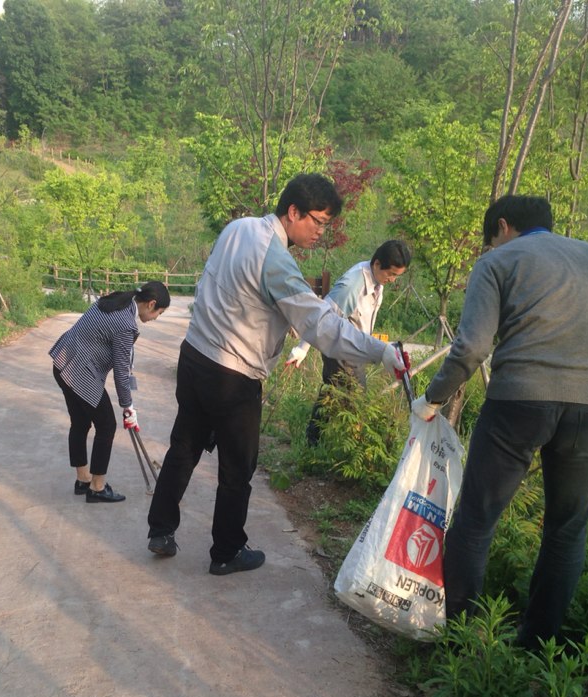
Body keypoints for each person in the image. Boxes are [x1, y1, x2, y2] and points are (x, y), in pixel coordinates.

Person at [411, 195, 588, 649]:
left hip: (516, 402)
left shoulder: (497, 262)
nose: (492, 245)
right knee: (566, 531)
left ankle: (461, 642)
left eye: (492, 237)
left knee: (476, 519)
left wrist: (432, 399)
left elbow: (472, 348)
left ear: (504, 226)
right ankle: (536, 646)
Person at [146, 173, 405, 575]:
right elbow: (320, 326)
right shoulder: (277, 262)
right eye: (317, 221)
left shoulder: (238, 228)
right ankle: (227, 552)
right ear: (293, 211)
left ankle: (160, 530)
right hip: (233, 376)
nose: (320, 231)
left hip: (194, 357)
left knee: (184, 446)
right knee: (238, 469)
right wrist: (380, 350)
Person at [50, 282, 171, 503]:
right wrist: (128, 407)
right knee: (107, 425)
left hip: (63, 361)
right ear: (151, 304)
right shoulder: (126, 323)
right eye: (159, 313)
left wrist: (127, 403)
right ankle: (97, 488)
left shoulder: (118, 301)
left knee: (80, 423)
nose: (156, 318)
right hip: (79, 371)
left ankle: (83, 479)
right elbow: (121, 374)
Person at [286, 239, 411, 445]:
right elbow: (323, 315)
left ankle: (316, 442)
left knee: (334, 392)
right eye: (391, 274)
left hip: (356, 349)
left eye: (397, 276)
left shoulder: (377, 281)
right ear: (378, 264)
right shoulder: (354, 283)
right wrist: (302, 348)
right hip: (343, 349)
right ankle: (334, 446)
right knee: (353, 398)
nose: (393, 280)